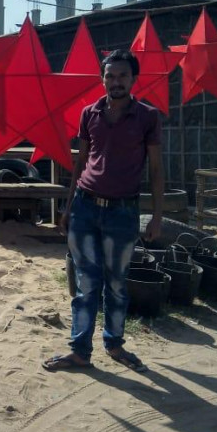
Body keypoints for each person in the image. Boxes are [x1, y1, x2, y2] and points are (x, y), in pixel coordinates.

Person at [43, 48, 164, 373]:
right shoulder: (89, 113)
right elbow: (80, 162)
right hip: (84, 207)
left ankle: (114, 344)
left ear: (133, 79)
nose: (116, 82)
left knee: (117, 284)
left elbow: (155, 167)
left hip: (123, 213)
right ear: (103, 79)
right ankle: (80, 351)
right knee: (86, 285)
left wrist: (157, 214)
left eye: (123, 75)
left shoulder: (147, 117)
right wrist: (67, 208)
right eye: (110, 76)